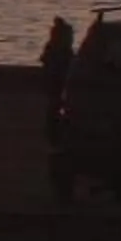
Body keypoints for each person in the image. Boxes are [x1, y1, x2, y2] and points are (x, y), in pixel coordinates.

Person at [40, 14, 76, 145]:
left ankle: (55, 132)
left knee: (55, 108)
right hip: (58, 83)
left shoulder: (55, 49)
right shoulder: (60, 51)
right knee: (56, 108)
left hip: (57, 83)